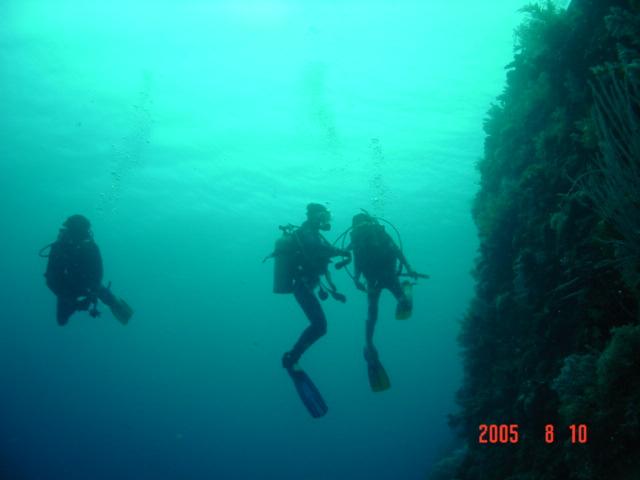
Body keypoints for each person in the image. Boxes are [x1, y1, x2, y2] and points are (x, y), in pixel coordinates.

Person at [347, 212, 425, 390]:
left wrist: (356, 279)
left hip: (384, 278)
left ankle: (369, 343)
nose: (361, 228)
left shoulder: (376, 234)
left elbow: (394, 252)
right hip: (378, 280)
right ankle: (369, 344)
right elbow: (395, 252)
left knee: (375, 313)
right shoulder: (363, 238)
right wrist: (356, 279)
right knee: (373, 313)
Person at [280, 203, 350, 370]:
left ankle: (293, 357)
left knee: (320, 326)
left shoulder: (315, 234)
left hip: (306, 285)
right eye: (322, 217)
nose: (324, 221)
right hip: (302, 285)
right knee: (320, 326)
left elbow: (323, 264)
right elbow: (317, 248)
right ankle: (291, 357)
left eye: (326, 217)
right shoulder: (307, 232)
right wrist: (340, 252)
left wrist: (333, 290)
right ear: (313, 216)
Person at [42, 214, 133, 326]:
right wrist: (73, 302)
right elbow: (51, 278)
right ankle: (116, 305)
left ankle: (118, 307)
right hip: (66, 287)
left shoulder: (90, 247)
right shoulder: (59, 247)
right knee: (61, 320)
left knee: (103, 294)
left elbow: (97, 274)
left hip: (88, 285)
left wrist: (91, 296)